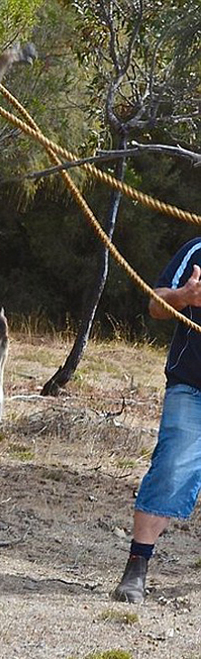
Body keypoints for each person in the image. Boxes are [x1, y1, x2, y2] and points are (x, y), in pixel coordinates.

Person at [112, 237, 201, 603]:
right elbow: (155, 304)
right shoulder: (198, 250)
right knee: (169, 471)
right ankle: (136, 568)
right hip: (193, 387)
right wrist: (184, 296)